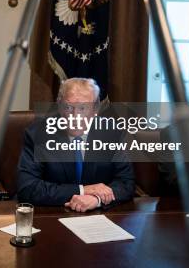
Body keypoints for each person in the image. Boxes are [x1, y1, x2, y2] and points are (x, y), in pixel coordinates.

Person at [17, 78, 135, 212]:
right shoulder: (37, 134)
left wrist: (97, 199)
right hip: (52, 215)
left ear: (95, 109)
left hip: (98, 216)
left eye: (83, 108)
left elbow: (126, 184)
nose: (75, 116)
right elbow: (27, 189)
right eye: (68, 107)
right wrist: (83, 190)